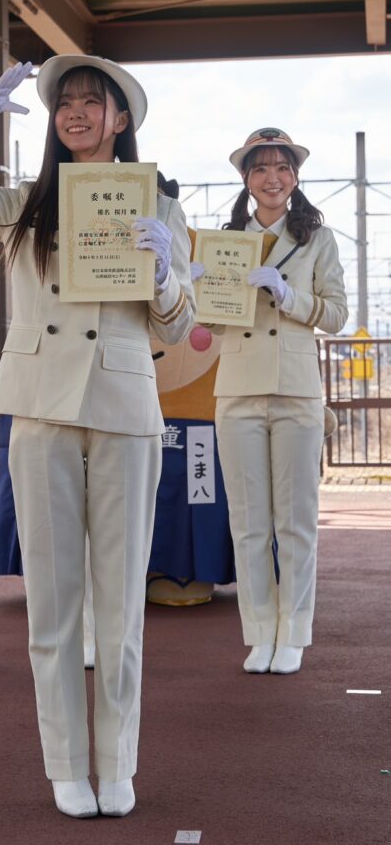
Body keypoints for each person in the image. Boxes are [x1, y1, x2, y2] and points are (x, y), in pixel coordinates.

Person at [0, 57, 195, 818]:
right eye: (63, 102)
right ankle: (67, 763)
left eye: (89, 101)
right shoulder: (23, 204)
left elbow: (178, 323)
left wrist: (164, 271)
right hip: (38, 407)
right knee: (54, 605)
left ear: (120, 119)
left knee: (119, 606)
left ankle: (119, 762)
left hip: (123, 408)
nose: (73, 112)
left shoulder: (160, 209)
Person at [204, 128, 348, 675]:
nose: (272, 178)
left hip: (295, 389)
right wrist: (198, 291)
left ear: (295, 177)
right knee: (248, 523)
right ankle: (259, 631)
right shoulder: (225, 239)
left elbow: (336, 314)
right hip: (237, 389)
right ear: (245, 178)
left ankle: (295, 632)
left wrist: (290, 297)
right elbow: (209, 322)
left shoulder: (318, 238)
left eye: (282, 168)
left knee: (296, 521)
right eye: (260, 168)